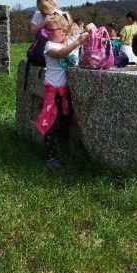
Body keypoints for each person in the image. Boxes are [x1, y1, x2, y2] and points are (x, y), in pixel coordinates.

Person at [35, 12, 89, 171]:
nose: (48, 34)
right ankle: (50, 158)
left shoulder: (72, 40)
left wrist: (88, 31)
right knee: (51, 123)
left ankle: (64, 148)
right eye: (47, 31)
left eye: (52, 30)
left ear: (64, 31)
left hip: (67, 91)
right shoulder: (49, 45)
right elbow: (60, 54)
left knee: (65, 121)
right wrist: (77, 42)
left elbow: (88, 32)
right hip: (53, 91)